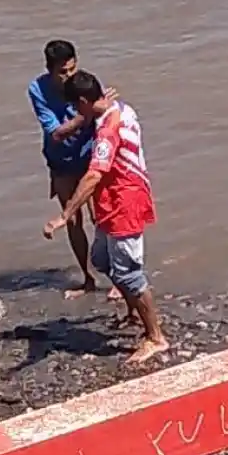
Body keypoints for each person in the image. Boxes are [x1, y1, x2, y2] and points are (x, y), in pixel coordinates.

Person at [42, 70, 169, 363]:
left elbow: (94, 175)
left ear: (85, 102)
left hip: (125, 203)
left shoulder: (108, 130)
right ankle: (133, 313)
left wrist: (66, 214)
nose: (76, 113)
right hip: (110, 204)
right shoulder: (122, 109)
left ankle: (156, 338)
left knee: (129, 273)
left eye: (77, 107)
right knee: (102, 259)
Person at [28, 39, 121, 301]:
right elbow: (56, 133)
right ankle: (88, 279)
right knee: (72, 219)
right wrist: (87, 114)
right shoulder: (38, 90)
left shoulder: (83, 83)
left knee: (100, 215)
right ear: (49, 69)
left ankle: (117, 277)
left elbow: (105, 117)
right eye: (62, 72)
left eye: (71, 69)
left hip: (89, 154)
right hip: (61, 160)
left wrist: (99, 110)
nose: (68, 76)